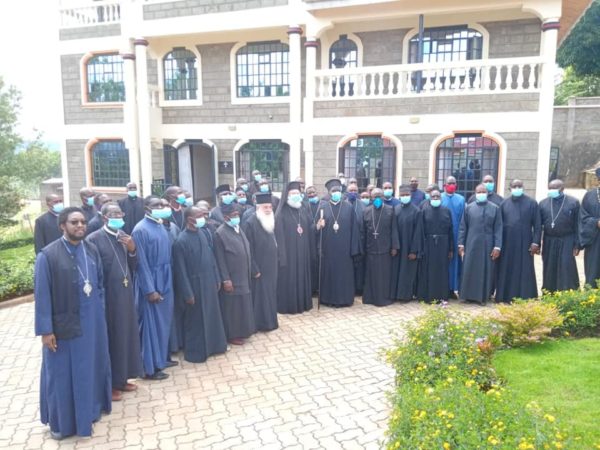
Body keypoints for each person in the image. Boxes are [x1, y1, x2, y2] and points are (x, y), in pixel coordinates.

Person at [34, 207, 111, 439]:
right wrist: (46, 331)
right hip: (65, 325)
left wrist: (100, 313)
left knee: (90, 369)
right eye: (74, 222)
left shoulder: (91, 249)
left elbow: (99, 285)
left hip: (92, 323)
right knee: (63, 374)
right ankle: (64, 424)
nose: (80, 226)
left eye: (83, 222)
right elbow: (42, 296)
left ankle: (90, 413)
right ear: (62, 226)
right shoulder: (48, 256)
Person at [86, 203, 143, 401]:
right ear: (104, 218)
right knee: (111, 339)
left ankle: (122, 378)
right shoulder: (94, 239)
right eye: (113, 214)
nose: (118, 217)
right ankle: (109, 385)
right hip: (108, 298)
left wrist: (132, 249)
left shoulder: (124, 236)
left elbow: (133, 266)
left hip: (125, 295)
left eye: (120, 213)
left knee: (125, 336)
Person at [172, 207, 228, 362]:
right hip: (194, 286)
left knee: (212, 316)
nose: (204, 218)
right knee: (196, 321)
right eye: (200, 215)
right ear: (190, 219)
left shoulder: (203, 233)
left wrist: (217, 278)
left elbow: (211, 258)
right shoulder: (180, 241)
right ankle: (197, 353)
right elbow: (180, 271)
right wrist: (187, 293)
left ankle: (215, 346)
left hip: (209, 282)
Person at [132, 196, 175, 380]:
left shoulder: (160, 225)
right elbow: (141, 263)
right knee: (150, 326)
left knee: (163, 323)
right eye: (156, 205)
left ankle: (161, 358)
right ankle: (149, 368)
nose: (161, 207)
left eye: (162, 204)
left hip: (165, 278)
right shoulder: (140, 230)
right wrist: (150, 290)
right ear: (147, 208)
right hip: (151, 280)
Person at [213, 204, 257, 345]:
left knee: (243, 305)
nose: (237, 217)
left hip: (243, 275)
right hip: (232, 277)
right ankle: (233, 335)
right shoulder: (220, 233)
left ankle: (244, 331)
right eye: (233, 216)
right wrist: (226, 279)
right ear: (226, 218)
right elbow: (219, 259)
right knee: (233, 308)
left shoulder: (238, 228)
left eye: (237, 215)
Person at [315, 179, 361, 307]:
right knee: (330, 274)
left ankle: (344, 299)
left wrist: (354, 249)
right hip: (328, 249)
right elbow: (314, 229)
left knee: (343, 275)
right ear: (329, 193)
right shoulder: (322, 208)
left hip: (345, 250)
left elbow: (355, 229)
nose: (336, 193)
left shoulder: (348, 207)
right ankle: (328, 299)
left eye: (338, 190)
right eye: (334, 191)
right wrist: (318, 225)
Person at [496, 180, 541, 303]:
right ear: (510, 188)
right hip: (507, 241)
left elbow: (537, 225)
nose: (517, 188)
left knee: (525, 268)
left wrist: (535, 243)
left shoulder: (532, 203)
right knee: (507, 268)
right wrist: (498, 245)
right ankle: (505, 296)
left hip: (525, 241)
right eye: (514, 186)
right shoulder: (504, 204)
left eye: (519, 186)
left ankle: (526, 296)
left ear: (523, 187)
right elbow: (499, 226)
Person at [458, 184, 503, 305]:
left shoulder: (495, 208)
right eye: (479, 192)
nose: (481, 194)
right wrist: (461, 244)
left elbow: (498, 228)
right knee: (469, 269)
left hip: (488, 245)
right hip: (471, 243)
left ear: (487, 193)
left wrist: (497, 246)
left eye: (483, 192)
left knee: (485, 270)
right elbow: (463, 227)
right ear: (475, 193)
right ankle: (466, 296)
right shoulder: (469, 208)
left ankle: (482, 297)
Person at [242, 193, 279, 331]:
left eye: (270, 207)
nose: (268, 210)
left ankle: (271, 321)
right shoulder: (250, 223)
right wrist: (254, 269)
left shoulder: (270, 220)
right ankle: (261, 324)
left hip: (271, 266)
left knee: (270, 295)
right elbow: (247, 249)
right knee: (260, 297)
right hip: (259, 268)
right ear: (258, 208)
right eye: (265, 207)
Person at [275, 181, 314, 314]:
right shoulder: (281, 213)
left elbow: (309, 229)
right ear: (287, 196)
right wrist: (282, 256)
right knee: (290, 279)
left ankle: (303, 303)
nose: (296, 195)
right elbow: (279, 237)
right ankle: (290, 306)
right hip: (289, 254)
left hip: (302, 253)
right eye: (293, 193)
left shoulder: (302, 210)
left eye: (298, 193)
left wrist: (317, 226)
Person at [539, 179, 580, 292]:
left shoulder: (573, 202)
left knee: (566, 266)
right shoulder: (543, 203)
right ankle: (549, 292)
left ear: (562, 189)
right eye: (550, 188)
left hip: (567, 239)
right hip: (549, 239)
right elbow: (538, 225)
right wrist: (537, 243)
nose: (551, 190)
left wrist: (577, 244)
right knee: (549, 266)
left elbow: (578, 224)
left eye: (554, 188)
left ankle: (568, 292)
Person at [362, 188, 399, 306]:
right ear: (371, 198)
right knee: (371, 274)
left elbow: (394, 229)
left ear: (383, 197)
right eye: (375, 196)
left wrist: (394, 247)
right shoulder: (366, 211)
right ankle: (370, 298)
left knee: (384, 275)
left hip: (385, 248)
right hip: (371, 247)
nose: (377, 199)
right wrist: (363, 247)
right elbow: (363, 231)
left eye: (379, 196)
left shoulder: (390, 210)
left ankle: (384, 298)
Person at [417, 189, 454, 302]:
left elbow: (450, 230)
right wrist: (421, 247)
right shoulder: (424, 211)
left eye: (438, 196)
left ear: (441, 198)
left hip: (443, 245)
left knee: (442, 270)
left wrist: (450, 249)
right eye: (433, 197)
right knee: (428, 270)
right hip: (428, 244)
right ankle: (427, 296)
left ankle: (442, 296)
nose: (435, 198)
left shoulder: (447, 211)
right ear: (430, 198)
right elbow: (420, 231)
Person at [392, 185, 421, 302]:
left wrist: (414, 250)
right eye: (402, 195)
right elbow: (393, 229)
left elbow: (418, 232)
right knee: (396, 271)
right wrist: (394, 246)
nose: (404, 196)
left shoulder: (416, 211)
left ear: (410, 195)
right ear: (399, 196)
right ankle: (396, 294)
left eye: (407, 195)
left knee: (407, 272)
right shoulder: (396, 209)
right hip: (398, 247)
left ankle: (406, 296)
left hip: (409, 248)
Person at [441, 176, 465, 298]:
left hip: (456, 236)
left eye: (453, 183)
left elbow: (463, 219)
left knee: (455, 263)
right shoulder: (439, 198)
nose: (451, 185)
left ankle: (453, 288)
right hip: (442, 236)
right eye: (449, 183)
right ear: (444, 185)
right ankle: (443, 288)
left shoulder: (461, 199)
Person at [579, 167, 600, 288]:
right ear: (598, 180)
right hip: (594, 239)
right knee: (593, 270)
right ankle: (591, 296)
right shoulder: (589, 196)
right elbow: (583, 217)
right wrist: (596, 223)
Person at [347, 182, 367, 295]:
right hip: (347, 241)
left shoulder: (363, 205)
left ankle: (359, 288)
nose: (353, 192)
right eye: (351, 191)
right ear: (347, 192)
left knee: (360, 266)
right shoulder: (344, 204)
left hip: (360, 240)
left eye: (355, 191)